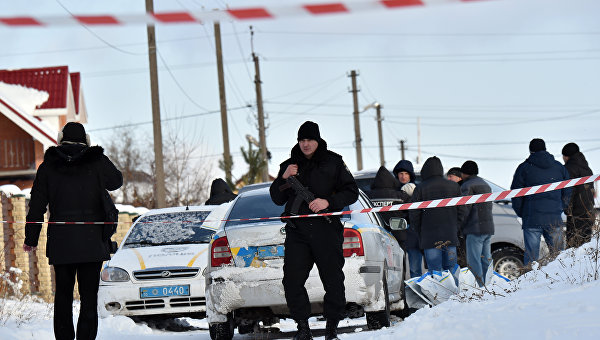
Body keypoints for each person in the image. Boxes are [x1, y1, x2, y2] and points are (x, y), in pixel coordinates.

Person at [23, 122, 123, 340]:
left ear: (60, 139)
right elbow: (116, 181)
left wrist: (30, 239)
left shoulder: (48, 166)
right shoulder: (96, 161)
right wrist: (96, 159)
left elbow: (37, 206)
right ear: (85, 140)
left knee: (63, 297)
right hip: (92, 242)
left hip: (62, 244)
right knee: (88, 297)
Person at [269, 121, 358, 340]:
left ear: (317, 141)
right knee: (292, 280)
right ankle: (303, 328)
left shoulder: (334, 162)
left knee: (333, 280)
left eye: (309, 140)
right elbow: (276, 198)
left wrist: (328, 201)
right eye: (302, 140)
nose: (306, 144)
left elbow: (351, 192)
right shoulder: (289, 165)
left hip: (326, 230)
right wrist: (283, 177)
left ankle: (331, 330)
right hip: (297, 232)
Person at [510, 138, 571, 265]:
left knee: (532, 260)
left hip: (532, 218)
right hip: (554, 217)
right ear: (545, 149)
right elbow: (567, 191)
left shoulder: (524, 168)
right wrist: (560, 207)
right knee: (560, 258)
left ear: (530, 150)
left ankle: (529, 283)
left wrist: (523, 213)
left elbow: (516, 194)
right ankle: (562, 283)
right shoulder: (559, 167)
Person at [409, 156, 464, 273]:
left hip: (430, 237)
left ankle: (438, 291)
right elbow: (462, 210)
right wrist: (456, 227)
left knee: (435, 271)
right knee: (451, 269)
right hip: (450, 235)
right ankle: (454, 291)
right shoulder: (454, 186)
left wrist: (419, 230)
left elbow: (414, 213)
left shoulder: (420, 188)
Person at [459, 160, 494, 286]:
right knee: (486, 259)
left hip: (474, 228)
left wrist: (459, 226)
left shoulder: (467, 186)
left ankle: (478, 288)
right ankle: (489, 285)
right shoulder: (486, 185)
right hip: (488, 228)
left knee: (474, 261)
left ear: (464, 173)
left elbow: (464, 209)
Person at [562, 143, 595, 248]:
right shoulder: (586, 167)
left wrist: (568, 209)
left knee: (573, 246)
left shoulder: (569, 168)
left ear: (566, 156)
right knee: (585, 245)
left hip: (576, 212)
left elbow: (569, 191)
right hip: (588, 210)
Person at [392, 159, 422, 278]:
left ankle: (417, 287)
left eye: (406, 173)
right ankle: (402, 287)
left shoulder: (418, 189)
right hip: (397, 230)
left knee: (415, 266)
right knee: (397, 265)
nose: (403, 176)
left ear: (411, 175)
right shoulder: (393, 191)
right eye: (401, 174)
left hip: (414, 231)